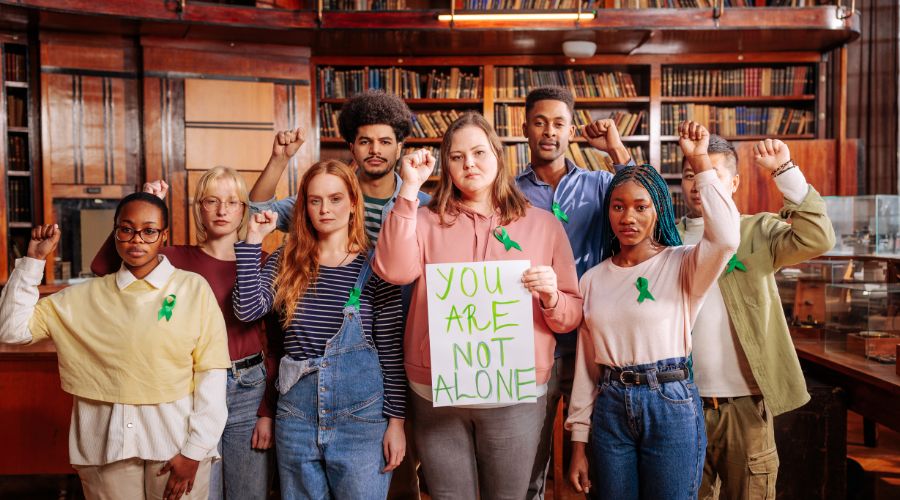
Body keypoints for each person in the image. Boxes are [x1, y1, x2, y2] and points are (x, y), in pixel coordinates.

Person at [373, 111, 583, 500]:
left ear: (498, 157)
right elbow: (393, 270)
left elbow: (569, 317)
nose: (469, 163)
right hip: (436, 390)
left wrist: (552, 296)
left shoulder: (543, 225)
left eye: (479, 152)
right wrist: (408, 189)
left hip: (514, 392)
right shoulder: (422, 219)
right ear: (446, 165)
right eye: (456, 156)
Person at [249, 87, 429, 500]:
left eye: (385, 141)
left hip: (399, 351)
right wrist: (279, 159)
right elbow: (254, 210)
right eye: (365, 141)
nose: (375, 150)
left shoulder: (422, 203)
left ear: (400, 146)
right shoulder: (328, 196)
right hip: (324, 347)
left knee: (397, 477)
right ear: (351, 145)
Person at [0, 192, 231, 500]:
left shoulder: (192, 289)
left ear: (164, 235)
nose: (137, 239)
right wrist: (33, 261)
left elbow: (211, 375)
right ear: (116, 232)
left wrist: (195, 451)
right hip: (105, 443)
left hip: (175, 443)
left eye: (149, 231)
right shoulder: (84, 297)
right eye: (126, 229)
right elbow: (11, 330)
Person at [566, 121, 740, 499]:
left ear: (657, 210)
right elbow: (586, 367)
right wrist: (578, 442)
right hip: (610, 405)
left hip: (671, 403)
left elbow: (726, 237)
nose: (628, 217)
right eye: (618, 206)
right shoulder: (592, 279)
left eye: (640, 207)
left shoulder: (683, 265)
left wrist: (699, 160)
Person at [90, 167, 278, 500]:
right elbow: (103, 269)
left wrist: (266, 410)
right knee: (203, 489)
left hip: (248, 389)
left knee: (249, 491)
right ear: (198, 209)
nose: (222, 210)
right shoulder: (172, 258)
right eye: (212, 201)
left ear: (243, 211)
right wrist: (149, 203)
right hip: (191, 389)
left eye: (232, 202)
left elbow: (274, 340)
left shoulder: (261, 259)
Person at [234, 159, 406, 500]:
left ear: (354, 203)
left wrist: (397, 424)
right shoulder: (288, 260)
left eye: (335, 199)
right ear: (304, 207)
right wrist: (253, 239)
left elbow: (390, 352)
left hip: (362, 422)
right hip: (296, 417)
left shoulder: (377, 267)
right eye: (315, 200)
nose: (324, 209)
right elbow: (247, 308)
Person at [677, 135, 835, 500]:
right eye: (690, 173)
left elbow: (818, 238)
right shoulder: (668, 238)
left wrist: (785, 170)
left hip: (745, 404)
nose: (699, 181)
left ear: (733, 183)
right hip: (681, 404)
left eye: (711, 173)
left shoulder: (758, 231)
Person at [515, 86, 635, 499]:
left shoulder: (601, 184)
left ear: (570, 131)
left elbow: (644, 196)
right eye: (539, 122)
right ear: (524, 127)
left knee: (599, 458)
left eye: (559, 123)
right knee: (529, 459)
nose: (549, 131)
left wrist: (615, 149)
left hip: (593, 337)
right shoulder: (508, 193)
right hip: (532, 338)